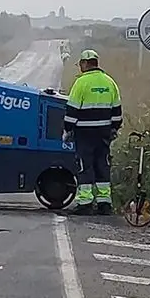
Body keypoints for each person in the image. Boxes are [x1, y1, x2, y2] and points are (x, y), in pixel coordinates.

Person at [62, 49, 122, 215]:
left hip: (85, 134)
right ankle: (105, 203)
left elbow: (71, 111)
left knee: (84, 166)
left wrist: (67, 131)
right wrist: (113, 130)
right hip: (103, 135)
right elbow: (117, 112)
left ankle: (86, 203)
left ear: (84, 63)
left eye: (80, 64)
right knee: (102, 165)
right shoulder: (110, 83)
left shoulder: (81, 83)